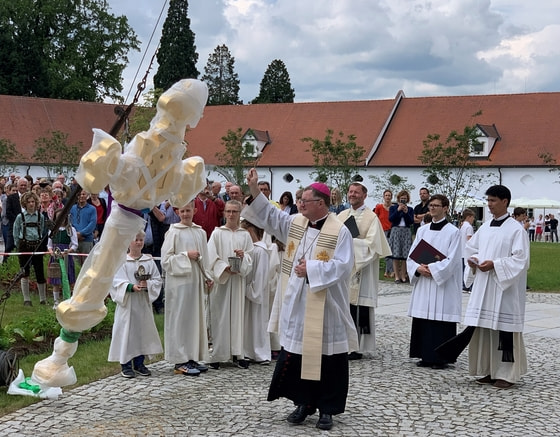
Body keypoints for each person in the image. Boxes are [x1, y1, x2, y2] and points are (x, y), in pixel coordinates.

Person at [243, 169, 358, 431]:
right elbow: (271, 217)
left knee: (327, 358)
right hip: (298, 302)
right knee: (297, 355)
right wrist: (254, 190)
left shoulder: (340, 232)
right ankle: (303, 403)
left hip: (325, 304)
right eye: (300, 200)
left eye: (304, 201)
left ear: (320, 203)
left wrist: (313, 270)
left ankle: (327, 409)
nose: (299, 204)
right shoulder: (296, 222)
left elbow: (343, 266)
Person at [464, 185, 529, 389]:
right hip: (485, 286)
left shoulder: (516, 229)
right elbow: (472, 248)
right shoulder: (485, 227)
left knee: (504, 329)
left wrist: (496, 265)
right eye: (488, 200)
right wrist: (474, 261)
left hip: (504, 289)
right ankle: (489, 370)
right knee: (485, 328)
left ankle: (507, 374)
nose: (489, 205)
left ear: (505, 202)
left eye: (493, 200)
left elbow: (521, 260)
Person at [407, 194, 462, 369]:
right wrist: (417, 268)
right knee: (424, 318)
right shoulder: (422, 230)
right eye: (431, 205)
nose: (432, 208)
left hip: (441, 284)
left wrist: (433, 270)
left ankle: (440, 358)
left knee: (439, 320)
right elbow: (412, 254)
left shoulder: (453, 232)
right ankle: (424, 354)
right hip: (424, 280)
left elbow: (453, 260)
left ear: (445, 208)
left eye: (437, 205)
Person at [338, 182, 391, 360]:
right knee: (342, 306)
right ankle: (342, 343)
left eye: (356, 192)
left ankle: (356, 347)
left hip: (362, 269)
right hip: (343, 270)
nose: (352, 194)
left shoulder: (371, 218)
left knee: (358, 308)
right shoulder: (341, 215)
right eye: (350, 191)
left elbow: (373, 246)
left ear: (364, 195)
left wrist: (350, 243)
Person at [161, 201, 213, 376]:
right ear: (177, 212)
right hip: (180, 284)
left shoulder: (200, 232)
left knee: (194, 320)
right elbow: (166, 260)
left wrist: (208, 277)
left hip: (196, 282)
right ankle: (180, 360)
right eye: (182, 211)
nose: (185, 214)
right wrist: (185, 255)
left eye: (188, 210)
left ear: (194, 210)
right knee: (180, 320)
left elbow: (204, 258)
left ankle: (191, 356)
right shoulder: (173, 232)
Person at [108, 231, 163, 378]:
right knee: (127, 332)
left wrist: (148, 284)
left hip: (142, 303)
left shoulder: (148, 261)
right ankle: (125, 365)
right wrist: (130, 287)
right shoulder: (122, 261)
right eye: (135, 240)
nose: (138, 243)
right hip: (128, 304)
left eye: (140, 240)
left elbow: (157, 280)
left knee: (141, 332)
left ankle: (140, 363)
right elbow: (115, 281)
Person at [207, 200, 253, 369]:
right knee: (221, 315)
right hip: (223, 280)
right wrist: (223, 267)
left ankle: (237, 353)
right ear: (224, 213)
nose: (231, 215)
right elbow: (210, 255)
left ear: (240, 213)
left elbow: (250, 257)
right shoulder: (217, 233)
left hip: (238, 280)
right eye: (228, 211)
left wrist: (243, 258)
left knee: (237, 316)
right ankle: (218, 354)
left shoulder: (245, 235)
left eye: (235, 211)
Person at [240, 219, 272, 364]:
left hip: (254, 292)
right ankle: (247, 351)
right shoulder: (250, 250)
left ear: (251, 231)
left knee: (258, 322)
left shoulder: (261, 251)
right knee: (247, 322)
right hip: (247, 292)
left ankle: (260, 353)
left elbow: (261, 275)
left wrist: (251, 290)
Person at [13, 192, 47, 306]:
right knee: (24, 272)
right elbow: (16, 232)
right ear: (24, 203)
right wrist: (18, 245)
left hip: (37, 245)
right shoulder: (20, 217)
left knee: (39, 272)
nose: (31, 204)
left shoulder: (40, 216)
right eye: (29, 202)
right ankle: (26, 299)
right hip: (24, 245)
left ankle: (43, 299)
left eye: (33, 202)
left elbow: (42, 230)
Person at [47, 208, 78, 308]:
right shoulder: (52, 230)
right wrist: (52, 252)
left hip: (66, 257)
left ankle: (69, 300)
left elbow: (74, 245)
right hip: (55, 257)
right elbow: (49, 245)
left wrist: (68, 251)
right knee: (56, 280)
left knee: (68, 279)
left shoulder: (70, 229)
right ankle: (56, 302)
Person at [388, 190, 414, 283]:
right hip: (396, 231)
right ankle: (397, 276)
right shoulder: (393, 208)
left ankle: (403, 275)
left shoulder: (410, 209)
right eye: (402, 198)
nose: (403, 200)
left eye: (405, 198)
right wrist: (398, 210)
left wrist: (406, 212)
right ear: (399, 199)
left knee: (405, 255)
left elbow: (411, 221)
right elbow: (391, 219)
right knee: (396, 254)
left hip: (406, 231)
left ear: (407, 199)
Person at [69, 189, 97, 266]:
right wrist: (75, 234)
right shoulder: (72, 208)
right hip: (74, 239)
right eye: (80, 194)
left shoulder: (92, 209)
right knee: (74, 263)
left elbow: (92, 224)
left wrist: (81, 233)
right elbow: (70, 222)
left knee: (86, 263)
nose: (81, 196)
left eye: (84, 194)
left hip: (86, 240)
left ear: (87, 196)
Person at [5, 177, 29, 257]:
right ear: (18, 186)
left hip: (28, 228)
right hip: (14, 226)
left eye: (25, 185)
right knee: (9, 248)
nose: (23, 187)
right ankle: (6, 267)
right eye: (21, 185)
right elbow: (8, 212)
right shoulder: (11, 198)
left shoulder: (31, 197)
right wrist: (19, 221)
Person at [374, 189, 394, 278]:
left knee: (390, 251)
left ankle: (389, 271)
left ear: (391, 197)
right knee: (386, 251)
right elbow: (375, 218)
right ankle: (389, 270)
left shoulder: (394, 207)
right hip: (382, 231)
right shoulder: (379, 207)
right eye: (386, 195)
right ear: (383, 197)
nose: (387, 197)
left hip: (392, 231)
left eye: (389, 195)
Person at [460, 209, 476, 292]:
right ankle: (469, 286)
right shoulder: (469, 227)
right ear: (469, 217)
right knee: (469, 270)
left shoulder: (462, 226)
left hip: (462, 251)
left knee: (464, 270)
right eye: (473, 217)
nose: (473, 219)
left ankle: (464, 286)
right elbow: (469, 239)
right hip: (467, 252)